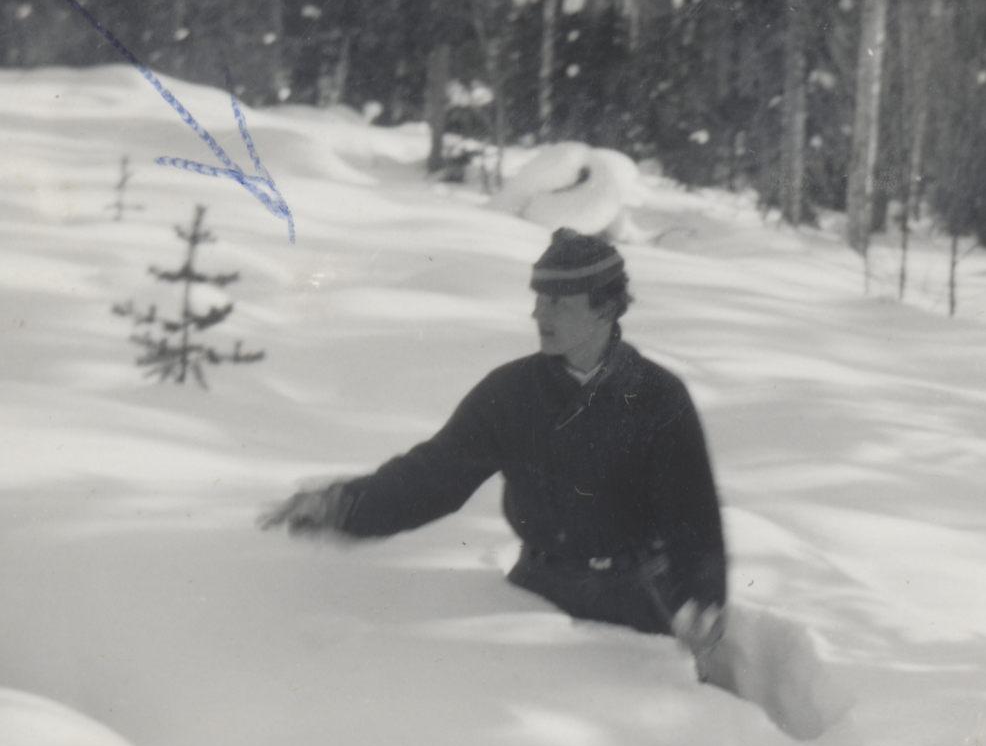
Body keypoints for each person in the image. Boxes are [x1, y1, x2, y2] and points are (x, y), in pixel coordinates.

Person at [260, 228, 727, 668]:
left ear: (605, 309)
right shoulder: (512, 392)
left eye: (558, 302)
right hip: (538, 590)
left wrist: (704, 597)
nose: (539, 314)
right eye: (538, 299)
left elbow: (695, 513)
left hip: (637, 597)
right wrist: (344, 505)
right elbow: (434, 475)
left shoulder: (657, 395)